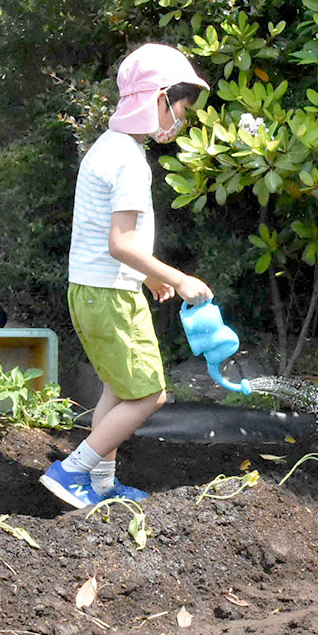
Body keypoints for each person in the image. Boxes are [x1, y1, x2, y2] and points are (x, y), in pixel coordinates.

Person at [40, 43, 213, 508]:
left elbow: (110, 244)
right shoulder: (131, 162)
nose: (182, 119)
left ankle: (100, 483)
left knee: (117, 390)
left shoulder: (108, 148)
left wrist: (148, 277)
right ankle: (72, 471)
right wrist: (177, 279)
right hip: (110, 296)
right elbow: (121, 242)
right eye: (181, 108)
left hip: (92, 290)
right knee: (150, 394)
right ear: (158, 99)